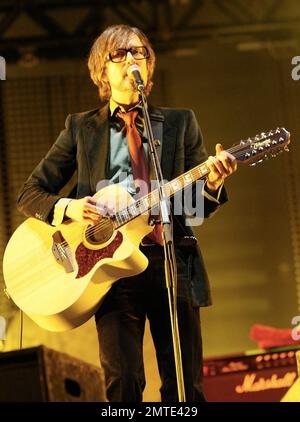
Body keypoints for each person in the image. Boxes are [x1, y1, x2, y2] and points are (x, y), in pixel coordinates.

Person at [17, 24, 237, 402]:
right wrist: (71, 207)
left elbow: (193, 208)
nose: (131, 59)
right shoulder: (81, 128)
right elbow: (29, 193)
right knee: (124, 384)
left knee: (185, 387)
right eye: (119, 54)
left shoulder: (181, 123)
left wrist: (213, 184)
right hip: (108, 268)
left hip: (171, 261)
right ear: (102, 70)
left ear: (148, 67)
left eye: (139, 52)